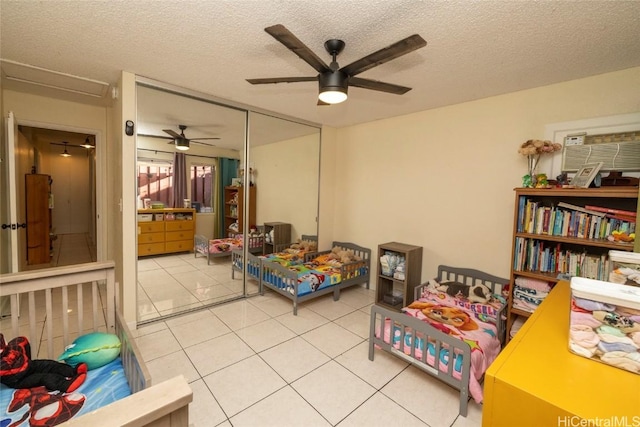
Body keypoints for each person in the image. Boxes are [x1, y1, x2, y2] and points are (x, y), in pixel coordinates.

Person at [0, 334, 87, 392]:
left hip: (29, 366)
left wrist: (27, 360)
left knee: (50, 364)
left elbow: (23, 341)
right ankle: (65, 385)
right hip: (19, 380)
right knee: (44, 378)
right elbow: (23, 341)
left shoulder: (12, 348)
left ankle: (72, 371)